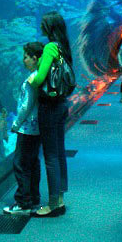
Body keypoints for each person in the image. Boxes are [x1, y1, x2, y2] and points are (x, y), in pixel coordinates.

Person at [28, 12, 73, 218]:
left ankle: (53, 204)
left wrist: (30, 81)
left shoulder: (49, 47)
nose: (41, 26)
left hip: (49, 106)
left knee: (50, 155)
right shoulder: (64, 47)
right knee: (60, 151)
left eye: (43, 24)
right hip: (62, 104)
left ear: (49, 27)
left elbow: (40, 78)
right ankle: (60, 197)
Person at [3, 42, 44, 215]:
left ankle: (23, 202)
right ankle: (33, 197)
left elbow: (26, 106)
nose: (23, 60)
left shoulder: (30, 80)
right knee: (33, 162)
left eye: (26, 57)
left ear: (35, 58)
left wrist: (15, 124)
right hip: (37, 128)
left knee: (20, 163)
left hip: (27, 128)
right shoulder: (40, 76)